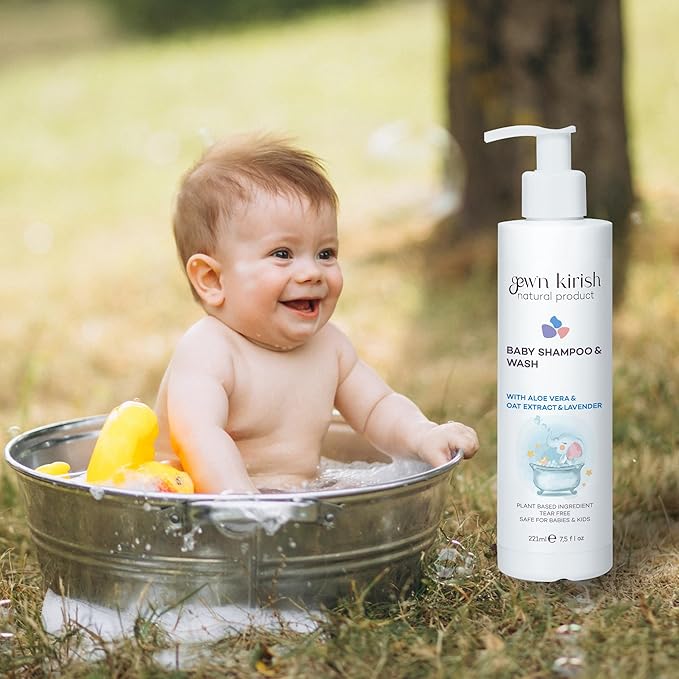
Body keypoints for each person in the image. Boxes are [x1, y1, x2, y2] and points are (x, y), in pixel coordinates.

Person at [154, 134, 479, 493]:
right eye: (282, 254)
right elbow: (199, 436)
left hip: (294, 496)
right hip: (205, 504)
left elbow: (378, 407)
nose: (312, 272)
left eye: (325, 253)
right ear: (212, 279)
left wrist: (422, 434)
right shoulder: (208, 350)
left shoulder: (329, 347)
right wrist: (242, 503)